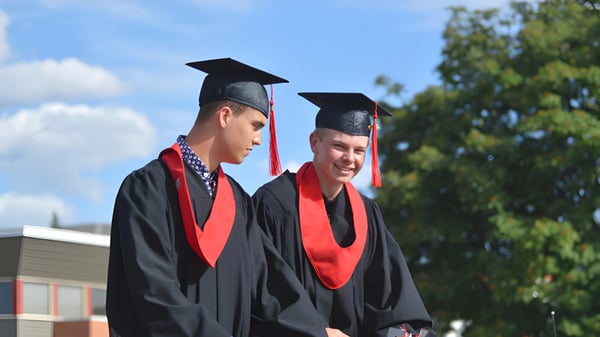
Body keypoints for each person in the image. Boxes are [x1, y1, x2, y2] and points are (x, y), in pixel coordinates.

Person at [106, 58, 333, 337]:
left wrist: (319, 331)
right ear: (225, 116)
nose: (259, 139)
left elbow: (269, 285)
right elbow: (153, 293)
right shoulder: (148, 188)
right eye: (255, 125)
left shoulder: (237, 200)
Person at [252, 92, 437, 337]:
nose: (349, 159)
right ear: (314, 143)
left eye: (359, 150)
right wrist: (318, 332)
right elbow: (260, 292)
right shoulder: (275, 204)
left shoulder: (366, 213)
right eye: (339, 146)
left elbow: (389, 300)